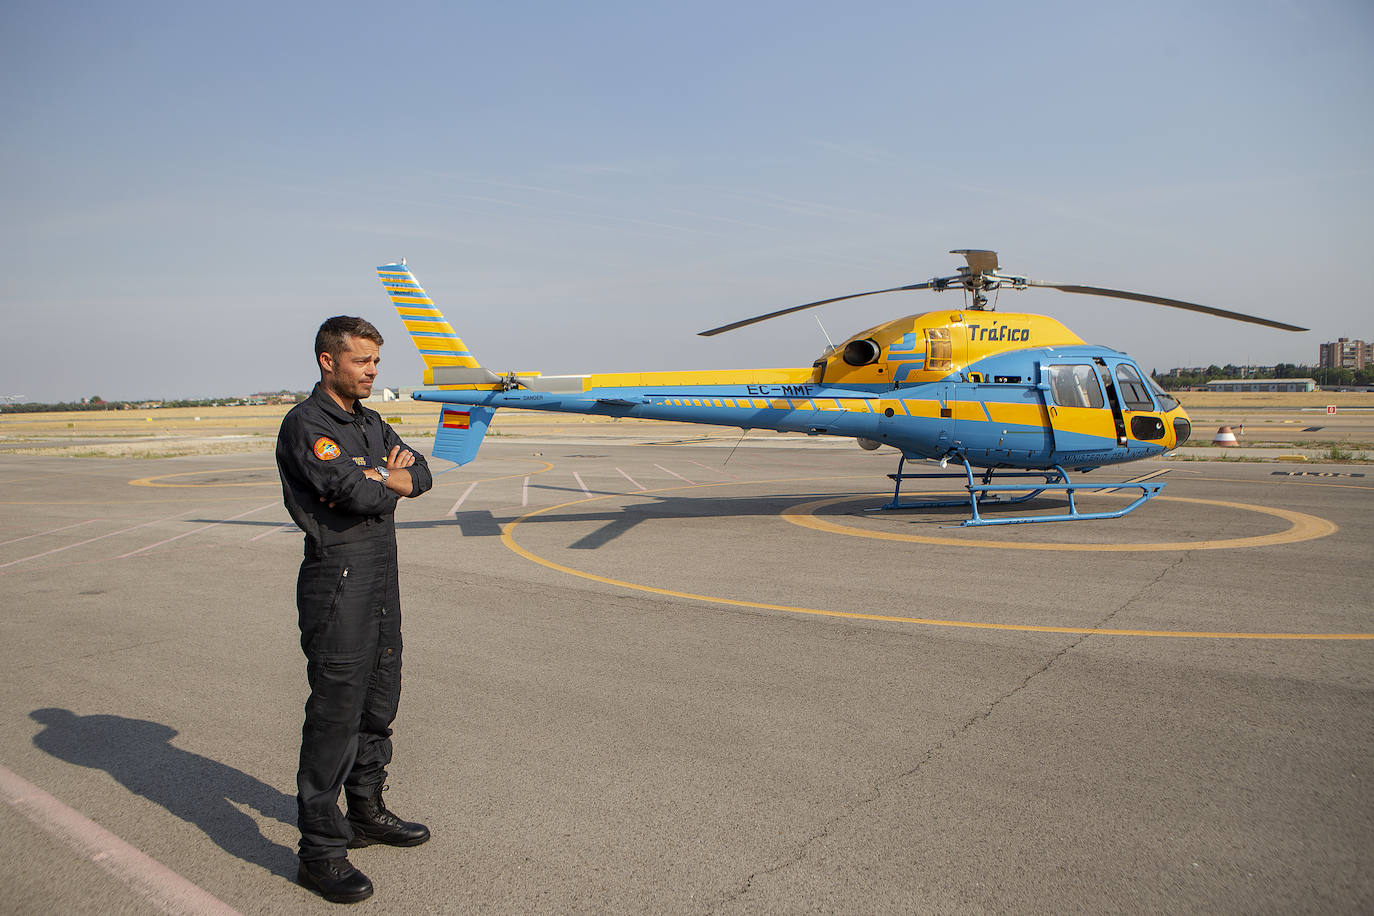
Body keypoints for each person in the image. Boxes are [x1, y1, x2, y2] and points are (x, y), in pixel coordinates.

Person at [275, 316, 434, 903]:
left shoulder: (370, 422)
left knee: (379, 700)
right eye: (362, 361)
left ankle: (366, 811)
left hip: (381, 578)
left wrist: (383, 474)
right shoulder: (308, 425)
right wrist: (381, 477)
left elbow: (422, 473)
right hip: (336, 579)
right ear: (327, 360)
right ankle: (319, 851)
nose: (372, 371)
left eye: (375, 362)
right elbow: (358, 492)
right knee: (335, 715)